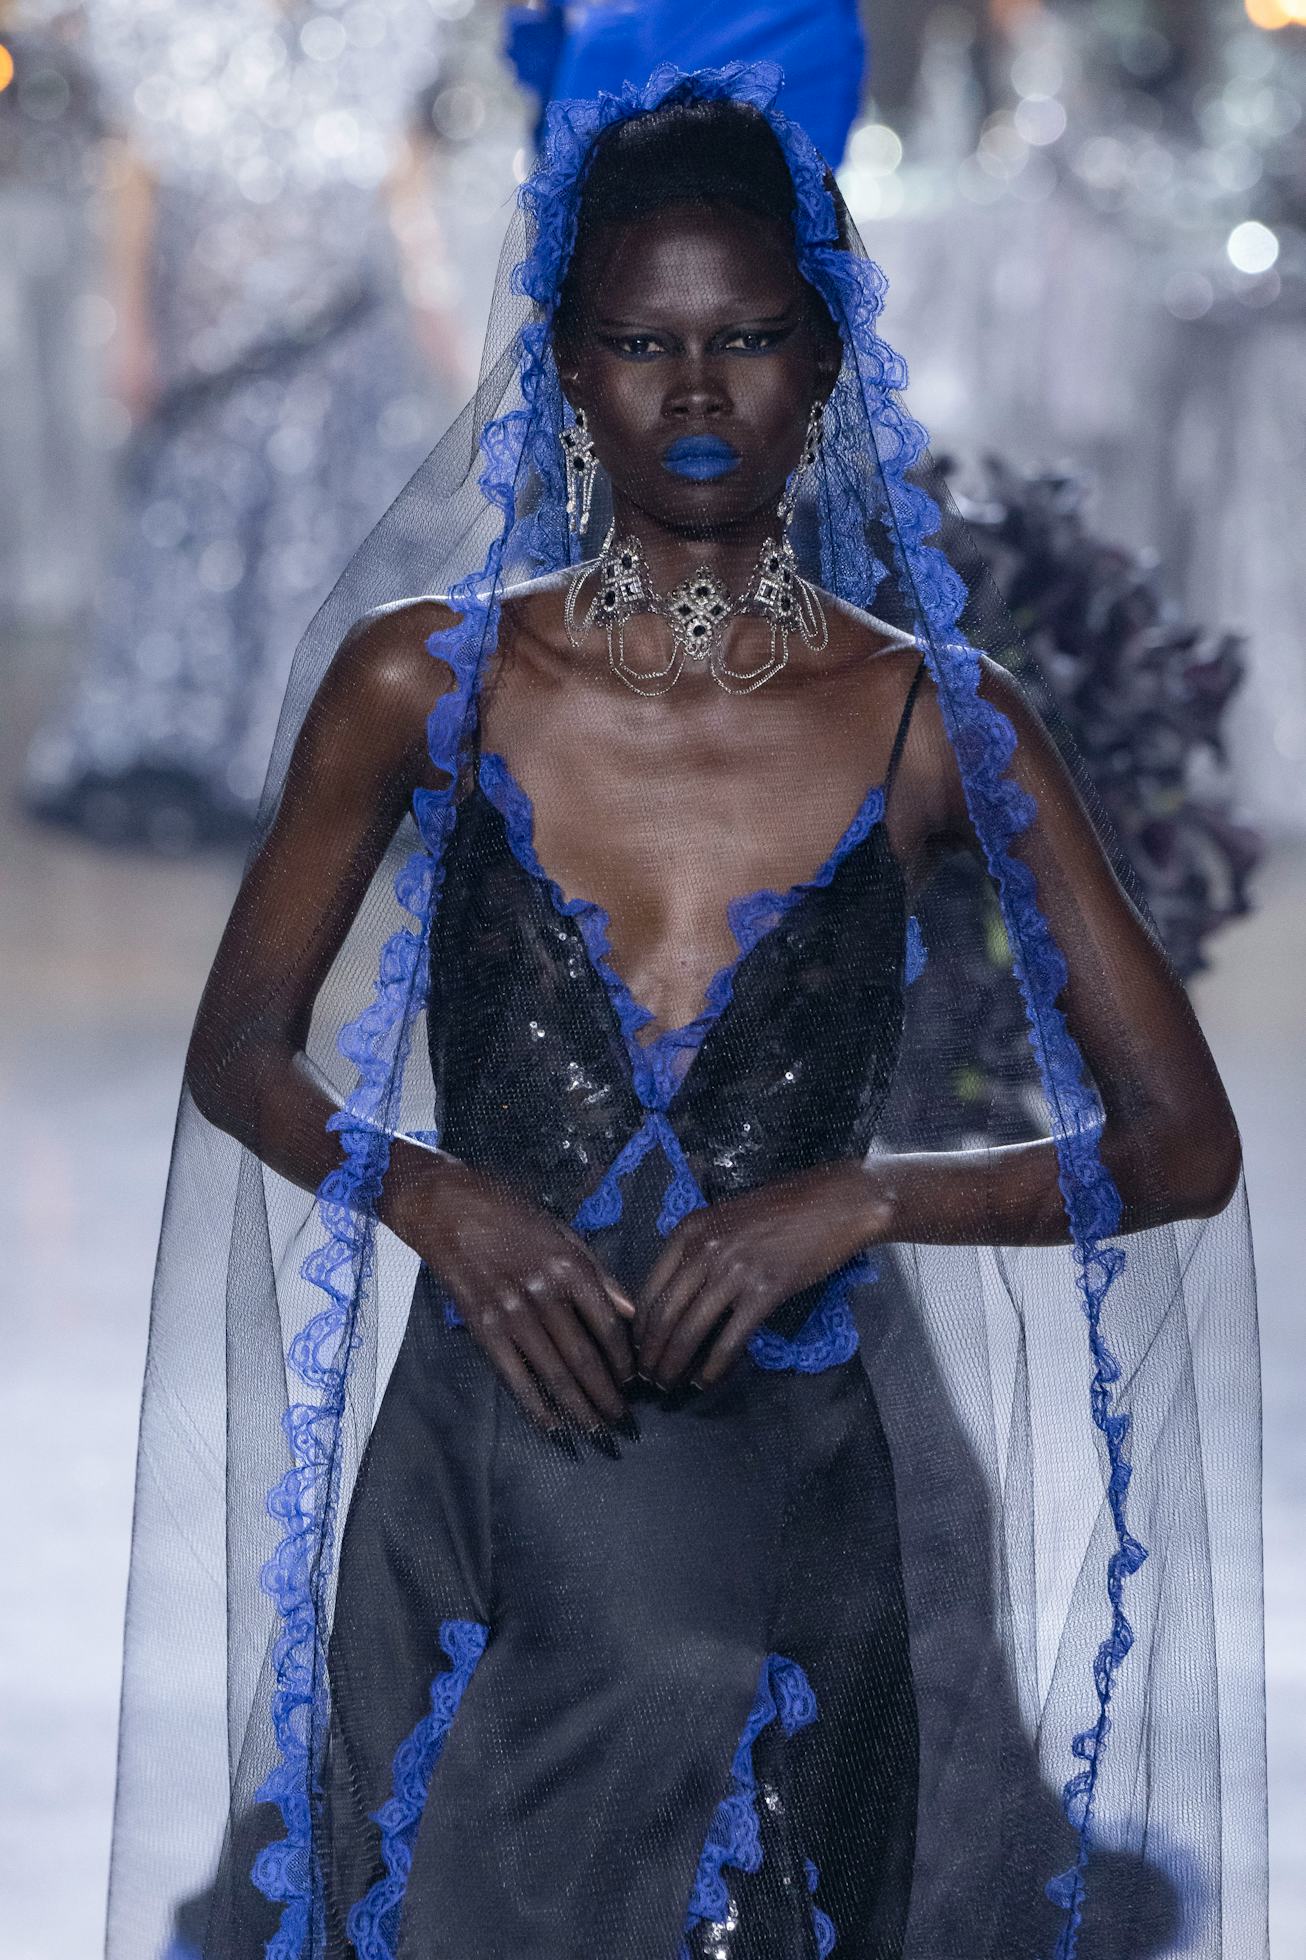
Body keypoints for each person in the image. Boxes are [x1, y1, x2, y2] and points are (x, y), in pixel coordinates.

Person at [108, 66, 1265, 1960]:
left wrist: (872, 1196)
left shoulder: (933, 719)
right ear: (564, 364)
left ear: (825, 364)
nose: (700, 392)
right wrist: (430, 1196)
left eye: (745, 342)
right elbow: (240, 1050)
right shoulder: (425, 682)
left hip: (785, 1450)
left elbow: (1182, 1147)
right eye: (644, 342)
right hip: (493, 1422)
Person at [25, 0, 463, 852]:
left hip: (344, 340)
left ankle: (316, 751)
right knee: (207, 534)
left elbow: (400, 175)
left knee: (328, 541)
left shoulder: (378, 28)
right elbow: (135, 171)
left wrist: (432, 302)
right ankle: (215, 746)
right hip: (213, 337)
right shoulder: (165, 27)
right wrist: (129, 326)